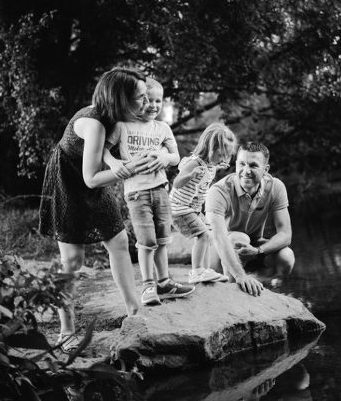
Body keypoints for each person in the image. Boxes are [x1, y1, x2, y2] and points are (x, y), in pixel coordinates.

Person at [38, 67, 153, 352]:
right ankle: (66, 332)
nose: (146, 102)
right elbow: (90, 178)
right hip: (69, 182)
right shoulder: (94, 123)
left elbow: (101, 148)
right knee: (72, 260)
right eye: (140, 97)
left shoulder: (113, 117)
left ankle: (134, 312)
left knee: (119, 241)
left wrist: (113, 162)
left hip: (94, 177)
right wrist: (128, 169)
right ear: (119, 99)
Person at [104, 78, 193, 306]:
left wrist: (164, 157)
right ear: (137, 101)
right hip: (136, 193)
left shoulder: (162, 128)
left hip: (160, 189)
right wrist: (113, 163)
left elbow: (176, 158)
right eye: (147, 100)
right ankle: (148, 286)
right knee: (146, 241)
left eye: (158, 101)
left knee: (163, 239)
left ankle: (164, 282)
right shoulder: (123, 125)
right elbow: (104, 149)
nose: (153, 105)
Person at [205, 141, 294, 291]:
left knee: (286, 256)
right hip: (218, 254)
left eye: (253, 165)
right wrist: (241, 275)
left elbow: (285, 235)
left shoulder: (276, 187)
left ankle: (260, 285)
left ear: (265, 169)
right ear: (236, 164)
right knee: (239, 238)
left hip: (252, 248)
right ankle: (233, 286)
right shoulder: (218, 191)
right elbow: (219, 238)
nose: (246, 171)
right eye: (241, 164)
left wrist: (258, 250)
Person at [169, 123, 237, 284]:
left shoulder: (211, 165)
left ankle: (205, 271)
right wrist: (190, 175)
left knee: (208, 234)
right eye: (221, 155)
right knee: (203, 235)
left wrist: (218, 167)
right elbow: (177, 183)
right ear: (210, 148)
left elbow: (208, 172)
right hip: (179, 209)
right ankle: (197, 271)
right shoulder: (194, 163)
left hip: (192, 209)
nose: (224, 159)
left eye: (227, 156)